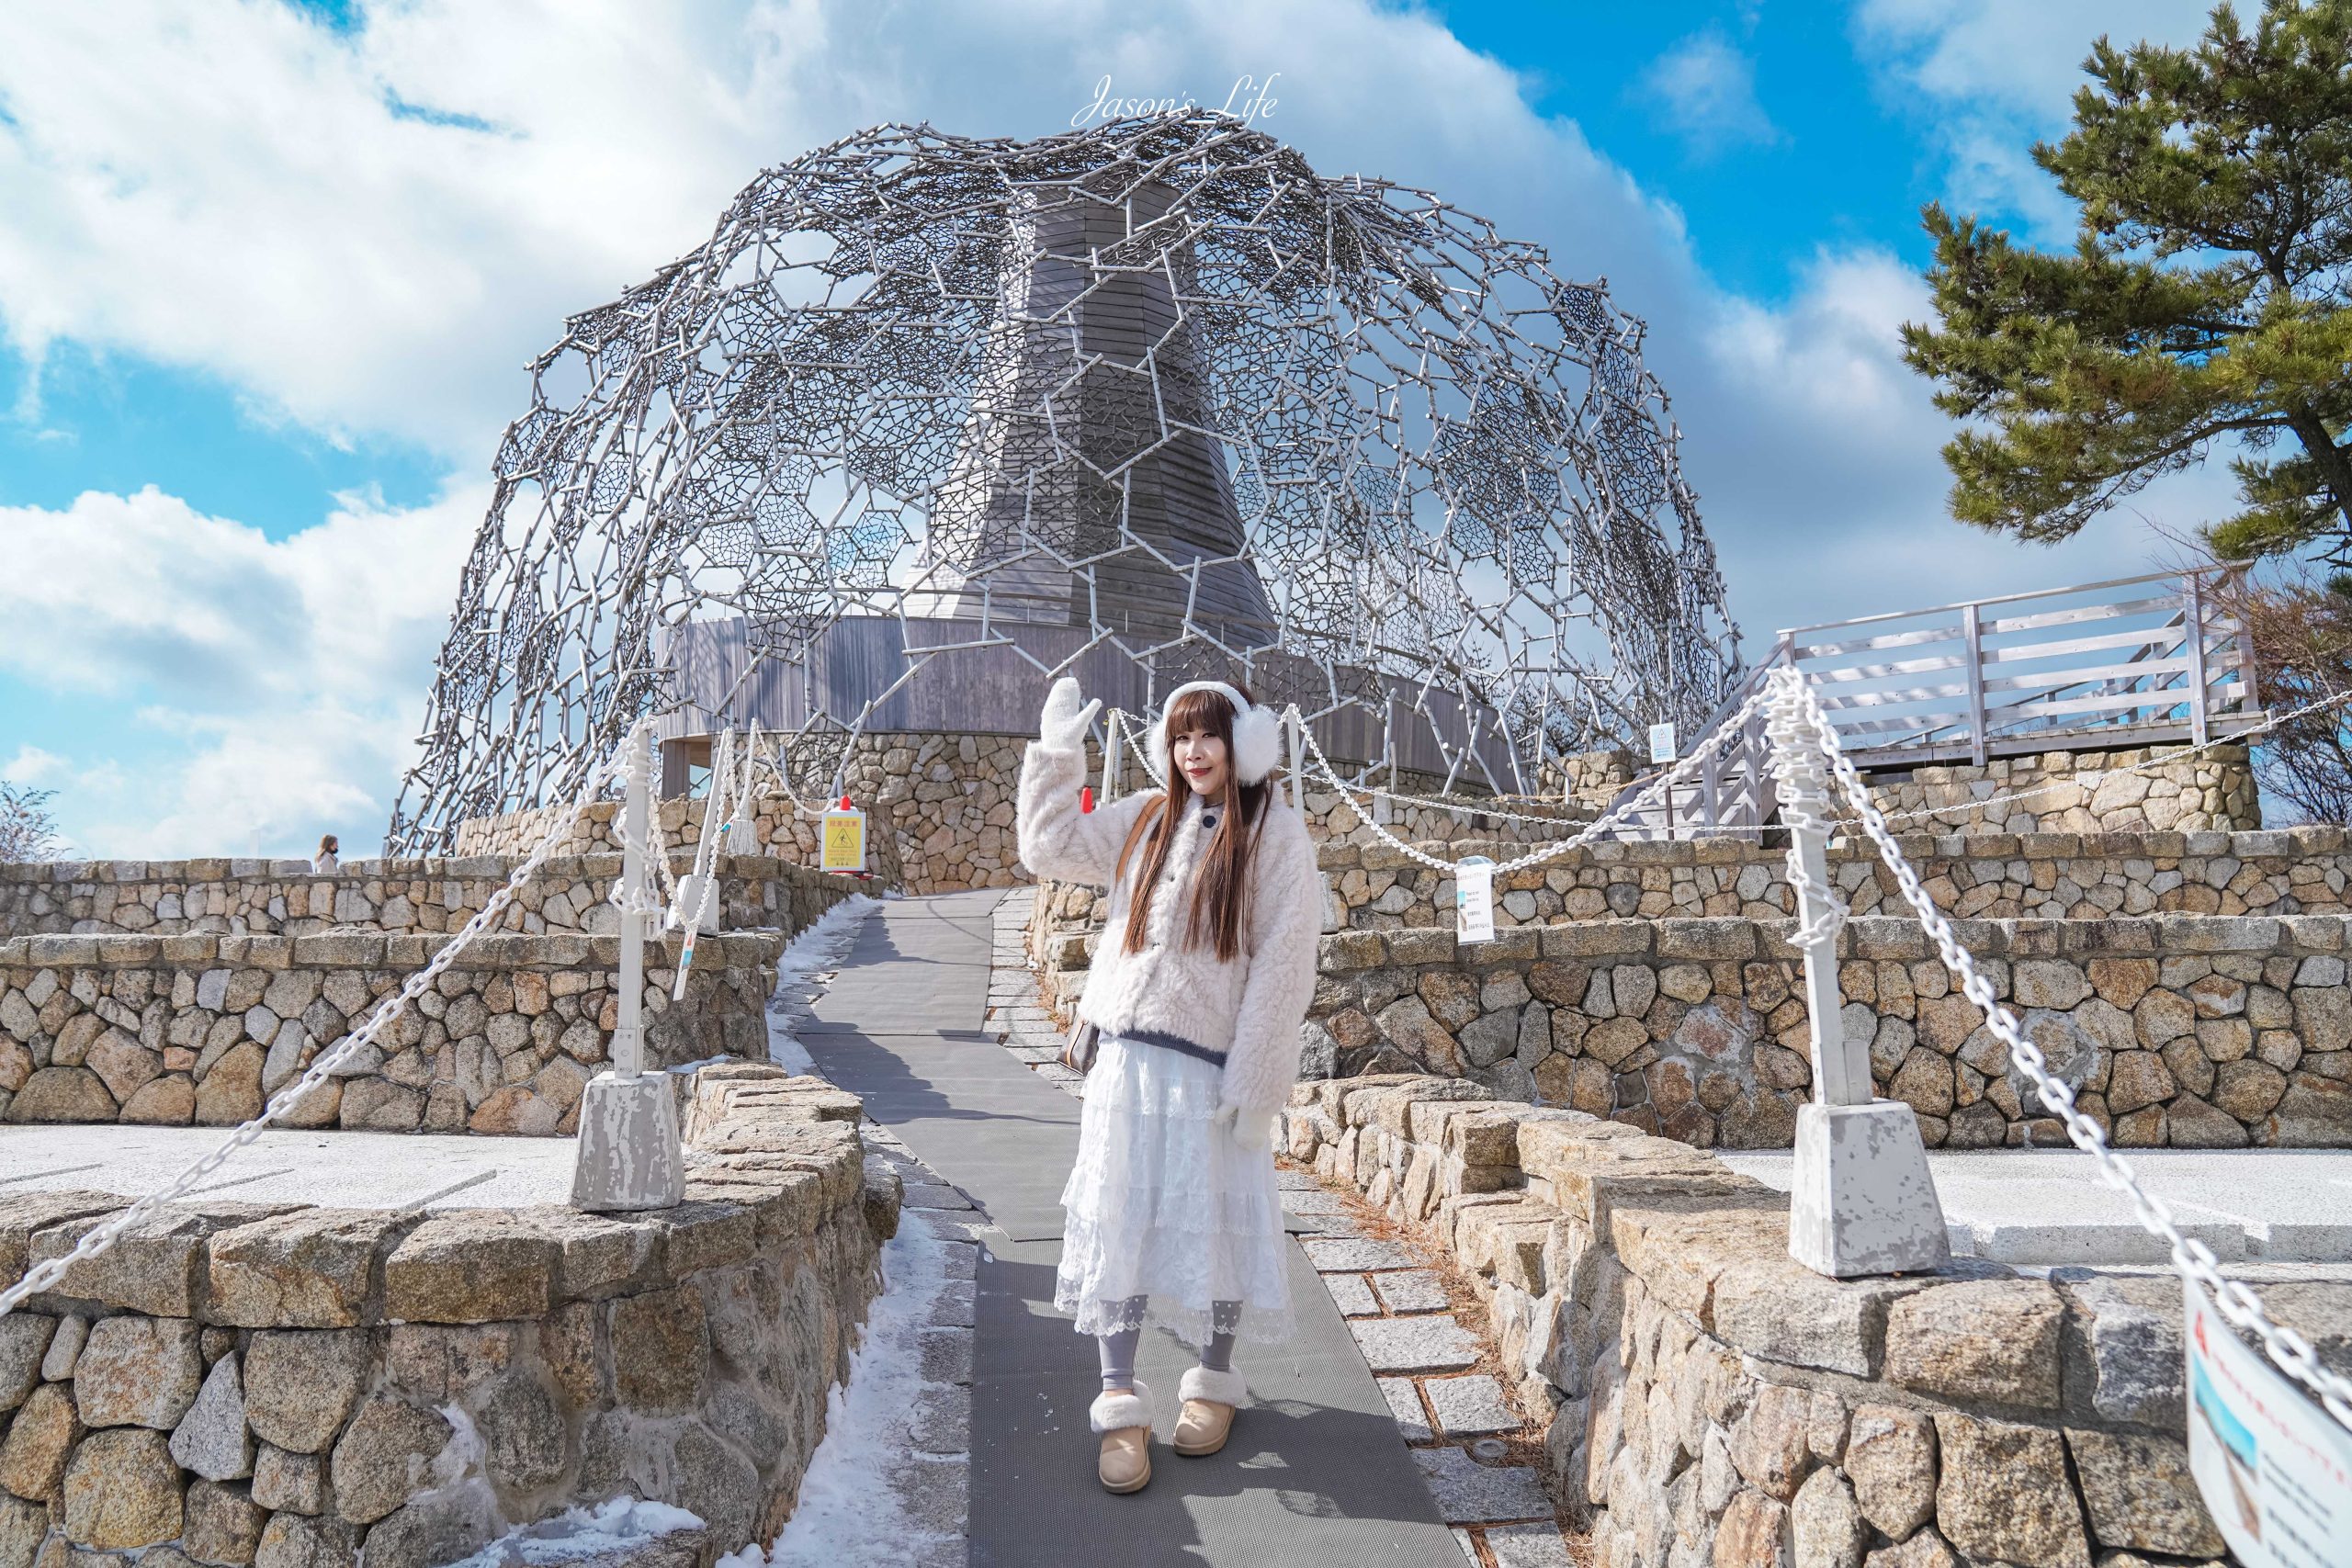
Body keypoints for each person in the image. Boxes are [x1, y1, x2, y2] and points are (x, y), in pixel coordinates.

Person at [1015, 674, 1324, 1495]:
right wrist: (1054, 754)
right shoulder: (1146, 820)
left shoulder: (1276, 836)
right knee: (1120, 1215)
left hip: (1208, 1070)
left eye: (1210, 734)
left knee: (1214, 1219)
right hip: (1124, 1060)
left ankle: (1213, 1384)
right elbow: (1046, 847)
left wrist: (1256, 1080)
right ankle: (1120, 1401)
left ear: (1245, 742)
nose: (1194, 750)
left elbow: (1284, 962)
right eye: (1182, 735)